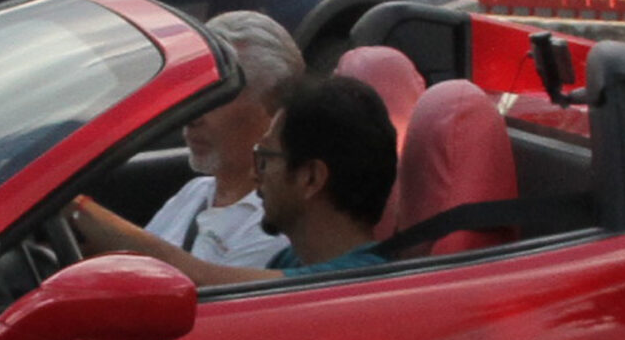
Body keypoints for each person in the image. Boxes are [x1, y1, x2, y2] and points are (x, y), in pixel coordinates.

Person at [77, 72, 399, 288]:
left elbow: (200, 281)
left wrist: (75, 208)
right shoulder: (293, 260)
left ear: (310, 177)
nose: (253, 173)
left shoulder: (351, 281)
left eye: (265, 159)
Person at [69, 9, 302, 269]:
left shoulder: (278, 222)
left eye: (217, 96)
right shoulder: (194, 193)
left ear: (273, 107)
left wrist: (75, 207)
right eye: (196, 93)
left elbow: (204, 291)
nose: (193, 115)